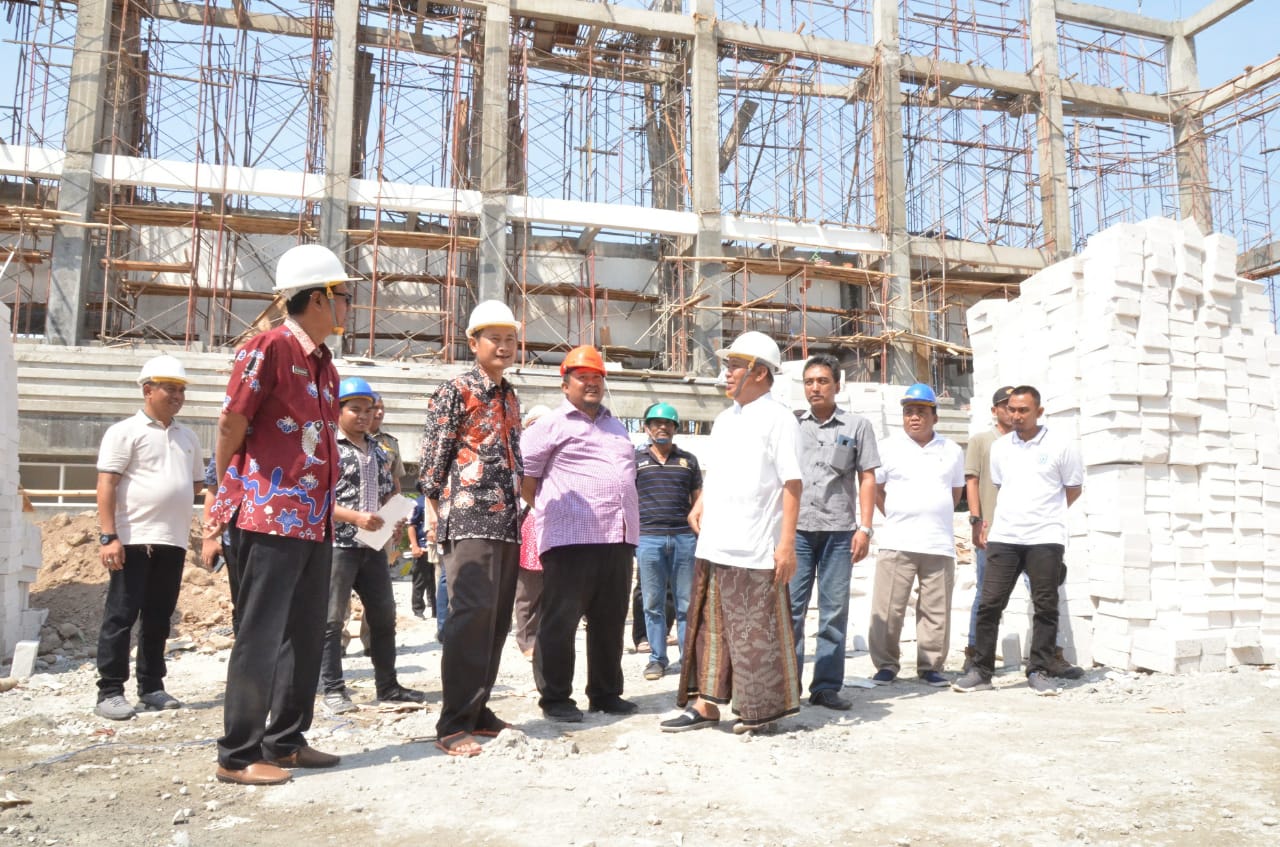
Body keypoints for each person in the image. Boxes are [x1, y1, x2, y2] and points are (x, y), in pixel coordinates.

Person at [207, 243, 353, 786]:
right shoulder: (267, 348)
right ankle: (238, 754)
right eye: (344, 296)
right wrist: (229, 494)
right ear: (319, 297)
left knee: (305, 632)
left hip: (313, 520)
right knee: (260, 635)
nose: (349, 307)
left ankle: (285, 740)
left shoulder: (325, 365)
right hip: (268, 517)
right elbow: (230, 426)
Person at [661, 331, 802, 735]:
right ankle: (705, 706)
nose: (726, 374)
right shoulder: (725, 420)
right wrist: (701, 502)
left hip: (756, 547)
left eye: (734, 366)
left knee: (756, 633)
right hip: (715, 542)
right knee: (709, 629)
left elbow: (792, 484)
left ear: (759, 372)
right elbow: (717, 472)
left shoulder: (779, 419)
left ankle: (762, 712)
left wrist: (787, 545)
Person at [418, 300, 525, 756]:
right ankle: (453, 722)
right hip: (468, 516)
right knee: (469, 616)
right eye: (493, 339)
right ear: (473, 343)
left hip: (506, 520)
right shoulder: (455, 391)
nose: (503, 347)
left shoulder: (510, 395)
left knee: (496, 620)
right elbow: (432, 461)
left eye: (510, 339)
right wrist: (434, 512)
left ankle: (478, 709)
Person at [521, 345, 640, 724]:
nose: (591, 383)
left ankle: (605, 693)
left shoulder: (616, 425)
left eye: (597, 377)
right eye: (582, 377)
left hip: (617, 537)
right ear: (565, 384)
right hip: (571, 537)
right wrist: (552, 510)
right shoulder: (551, 425)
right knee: (561, 620)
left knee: (609, 619)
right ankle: (556, 698)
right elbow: (526, 479)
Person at [953, 385, 1084, 696]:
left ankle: (1039, 669)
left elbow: (1073, 488)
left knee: (1045, 605)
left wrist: (1046, 513)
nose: (1015, 415)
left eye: (1023, 410)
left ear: (1038, 412)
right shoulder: (1000, 448)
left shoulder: (1061, 445)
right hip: (1005, 536)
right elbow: (999, 484)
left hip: (1045, 537)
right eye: (1011, 409)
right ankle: (982, 670)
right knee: (989, 603)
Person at [93, 355, 204, 721]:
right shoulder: (125, 432)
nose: (177, 396)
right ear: (147, 390)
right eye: (170, 388)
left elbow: (196, 486)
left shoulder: (187, 437)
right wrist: (109, 536)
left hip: (171, 540)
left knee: (159, 616)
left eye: (180, 390)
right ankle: (110, 691)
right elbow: (106, 483)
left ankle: (152, 687)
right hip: (133, 538)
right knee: (122, 614)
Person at [319, 376, 426, 714]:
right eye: (355, 409)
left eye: (369, 410)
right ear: (338, 410)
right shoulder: (327, 448)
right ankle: (332, 689)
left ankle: (388, 686)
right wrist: (354, 517)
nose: (363, 416)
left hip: (373, 546)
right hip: (338, 544)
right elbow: (314, 499)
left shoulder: (380, 451)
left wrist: (393, 519)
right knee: (331, 619)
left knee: (383, 617)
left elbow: (389, 492)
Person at [788, 354, 879, 710]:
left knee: (833, 612)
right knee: (792, 611)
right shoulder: (791, 424)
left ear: (837, 386)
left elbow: (867, 476)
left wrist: (865, 529)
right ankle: (787, 685)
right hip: (796, 532)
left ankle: (825, 686)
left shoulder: (857, 426)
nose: (815, 388)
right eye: (809, 382)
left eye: (822, 381)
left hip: (839, 532)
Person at [866, 383, 965, 687]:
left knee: (935, 609)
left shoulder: (951, 450)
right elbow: (876, 489)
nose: (914, 418)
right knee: (888, 608)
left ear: (934, 416)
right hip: (898, 541)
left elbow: (955, 491)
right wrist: (896, 514)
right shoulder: (887, 448)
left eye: (921, 412)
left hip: (938, 542)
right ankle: (885, 664)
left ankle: (931, 665)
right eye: (908, 412)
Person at [634, 401, 702, 681]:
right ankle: (657, 659)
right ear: (647, 428)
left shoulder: (688, 461)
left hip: (684, 539)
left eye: (668, 423)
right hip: (648, 539)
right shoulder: (635, 461)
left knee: (686, 602)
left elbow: (698, 498)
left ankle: (688, 660)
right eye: (656, 423)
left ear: (675, 428)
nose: (662, 427)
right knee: (652, 601)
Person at [962, 386, 1014, 671]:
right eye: (1005, 406)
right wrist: (975, 519)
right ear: (994, 411)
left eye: (1015, 405)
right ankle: (975, 651)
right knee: (985, 593)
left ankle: (1048, 652)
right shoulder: (982, 441)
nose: (1011, 411)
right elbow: (972, 481)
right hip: (991, 530)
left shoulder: (1026, 442)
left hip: (1026, 531)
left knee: (1041, 593)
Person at [513, 404, 551, 660]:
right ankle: (526, 639)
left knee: (550, 590)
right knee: (527, 590)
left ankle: (544, 637)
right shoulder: (517, 456)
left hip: (554, 525)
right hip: (529, 521)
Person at [407, 493, 438, 619]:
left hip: (437, 547)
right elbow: (411, 525)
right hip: (423, 547)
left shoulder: (440, 500)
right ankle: (418, 610)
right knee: (420, 579)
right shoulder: (418, 503)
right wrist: (414, 545)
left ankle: (436, 610)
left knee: (435, 580)